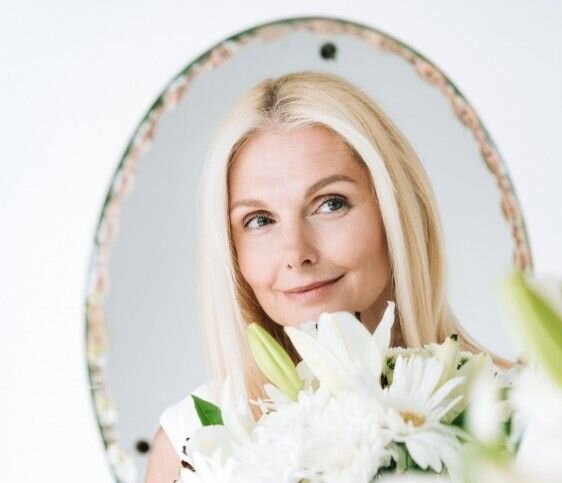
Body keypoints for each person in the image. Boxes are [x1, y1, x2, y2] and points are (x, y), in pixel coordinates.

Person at [144, 71, 500, 481]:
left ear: (397, 212)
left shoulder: (515, 406)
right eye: (260, 220)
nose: (296, 254)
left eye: (330, 203)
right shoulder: (190, 449)